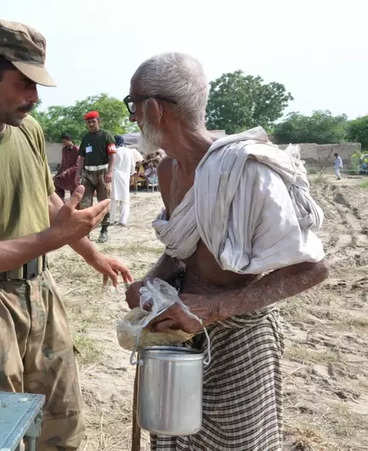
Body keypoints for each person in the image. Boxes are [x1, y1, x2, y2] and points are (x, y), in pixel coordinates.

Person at [0, 18, 132, 450]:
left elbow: (49, 203)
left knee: (60, 420)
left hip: (41, 291)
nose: (33, 99)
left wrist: (91, 252)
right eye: (24, 85)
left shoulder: (27, 131)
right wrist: (52, 239)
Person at [123, 53, 328, 450]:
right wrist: (152, 281)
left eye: (133, 106)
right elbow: (180, 251)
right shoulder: (169, 171)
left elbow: (312, 269)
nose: (133, 118)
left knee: (238, 443)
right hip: (176, 335)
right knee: (171, 437)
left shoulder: (248, 170)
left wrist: (217, 308)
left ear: (152, 108)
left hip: (240, 340)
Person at [76, 110, 116, 242]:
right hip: (87, 174)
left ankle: (104, 231)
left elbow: (112, 155)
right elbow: (81, 157)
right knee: (84, 204)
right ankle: (85, 232)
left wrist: (110, 172)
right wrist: (78, 174)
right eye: (88, 122)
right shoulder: (86, 138)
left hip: (103, 173)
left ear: (98, 121)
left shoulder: (107, 136)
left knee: (104, 202)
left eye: (93, 121)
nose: (91, 124)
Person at [109, 135, 136, 226]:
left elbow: (110, 164)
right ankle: (123, 220)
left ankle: (112, 220)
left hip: (115, 176)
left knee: (113, 199)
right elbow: (133, 167)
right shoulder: (129, 152)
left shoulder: (114, 151)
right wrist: (130, 174)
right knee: (125, 199)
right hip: (125, 177)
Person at [53, 133, 79, 199]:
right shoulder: (64, 149)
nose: (63, 143)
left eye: (64, 142)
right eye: (62, 142)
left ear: (69, 140)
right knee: (56, 182)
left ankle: (74, 207)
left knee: (73, 193)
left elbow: (77, 164)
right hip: (64, 174)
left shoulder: (77, 149)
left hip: (73, 174)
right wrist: (58, 173)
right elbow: (63, 163)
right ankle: (60, 202)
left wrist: (66, 171)